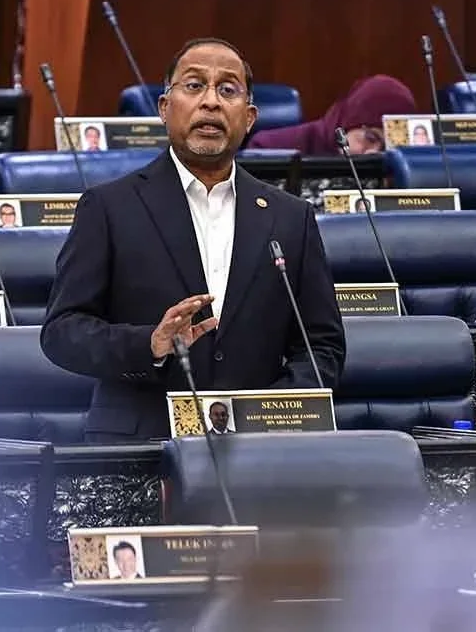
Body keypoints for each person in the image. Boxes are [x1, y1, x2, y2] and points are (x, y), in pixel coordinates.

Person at [41, 38, 345, 443]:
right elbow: (62, 332)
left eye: (228, 89)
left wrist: (271, 411)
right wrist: (149, 344)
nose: (211, 102)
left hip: (261, 449)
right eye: (194, 85)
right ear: (165, 108)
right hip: (141, 446)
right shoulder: (109, 207)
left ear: (249, 117)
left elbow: (322, 346)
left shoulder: (291, 218)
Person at [247, 75, 416, 155]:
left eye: (386, 148)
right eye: (370, 138)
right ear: (347, 121)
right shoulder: (267, 148)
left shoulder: (396, 170)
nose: (372, 153)